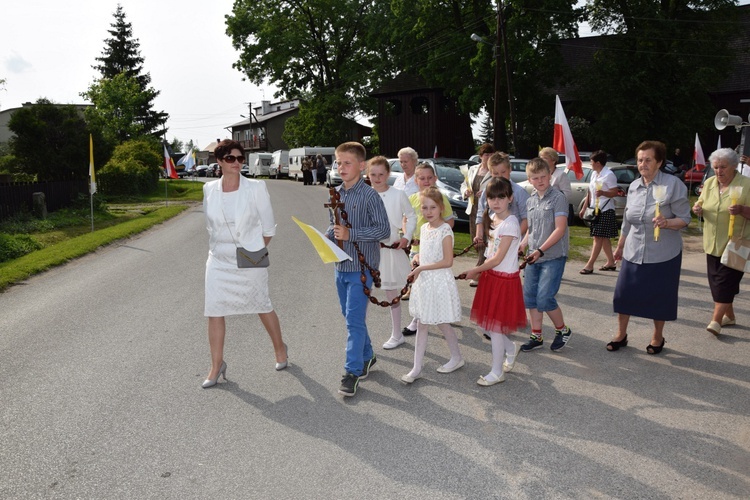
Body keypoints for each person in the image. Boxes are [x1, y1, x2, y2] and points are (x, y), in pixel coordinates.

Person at [201, 139, 287, 388]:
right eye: (231, 159)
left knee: (262, 304)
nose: (237, 163)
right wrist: (220, 249)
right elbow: (209, 225)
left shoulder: (256, 187)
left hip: (250, 257)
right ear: (219, 162)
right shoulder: (209, 190)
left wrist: (254, 253)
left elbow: (268, 228)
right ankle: (216, 365)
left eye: (240, 158)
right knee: (214, 310)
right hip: (218, 260)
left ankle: (280, 349)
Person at [609, 141, 691, 354]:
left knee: (659, 297)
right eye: (640, 160)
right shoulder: (634, 186)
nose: (643, 164)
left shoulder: (673, 185)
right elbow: (627, 221)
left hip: (664, 253)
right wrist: (619, 247)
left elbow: (685, 218)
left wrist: (667, 223)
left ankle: (657, 336)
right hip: (633, 251)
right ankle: (621, 334)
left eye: (648, 160)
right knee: (623, 294)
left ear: (659, 162)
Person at [325, 142, 390, 397]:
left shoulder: (370, 195)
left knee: (353, 320)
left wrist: (352, 234)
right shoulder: (335, 193)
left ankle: (352, 372)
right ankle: (368, 355)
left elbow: (383, 230)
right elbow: (333, 224)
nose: (341, 167)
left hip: (362, 268)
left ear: (361, 166)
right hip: (340, 265)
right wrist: (329, 234)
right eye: (338, 163)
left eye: (347, 163)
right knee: (349, 315)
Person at [462, 177, 526, 386]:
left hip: (504, 280)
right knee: (486, 325)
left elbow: (498, 258)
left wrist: (475, 270)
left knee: (496, 328)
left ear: (510, 198)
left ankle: (497, 371)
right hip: (492, 277)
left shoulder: (511, 223)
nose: (496, 201)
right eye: (491, 197)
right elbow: (491, 252)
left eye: (501, 197)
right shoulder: (492, 217)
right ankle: (510, 348)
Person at [401, 186, 463, 384]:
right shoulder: (425, 229)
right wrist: (418, 257)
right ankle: (418, 366)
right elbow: (425, 252)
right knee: (424, 322)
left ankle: (455, 358)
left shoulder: (445, 230)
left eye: (432, 208)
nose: (428, 212)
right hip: (426, 281)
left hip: (438, 281)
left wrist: (421, 269)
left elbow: (447, 261)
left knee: (439, 322)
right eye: (425, 208)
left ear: (441, 208)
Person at [693, 148, 750, 336]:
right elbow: (701, 203)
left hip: (737, 243)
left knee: (724, 283)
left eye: (723, 167)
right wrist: (698, 209)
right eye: (715, 167)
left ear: (734, 166)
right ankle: (730, 316)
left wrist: (742, 209)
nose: (719, 171)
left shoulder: (746, 184)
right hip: (712, 242)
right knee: (717, 282)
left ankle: (716, 320)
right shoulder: (709, 183)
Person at [520, 157, 573, 352]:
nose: (540, 180)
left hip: (552, 256)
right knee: (531, 298)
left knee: (545, 298)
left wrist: (541, 250)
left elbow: (560, 229)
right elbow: (531, 229)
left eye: (543, 176)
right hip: (533, 256)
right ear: (529, 180)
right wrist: (523, 244)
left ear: (550, 176)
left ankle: (563, 330)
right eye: (535, 178)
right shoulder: (531, 200)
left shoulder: (558, 198)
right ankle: (537, 336)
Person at [366, 156, 417, 349]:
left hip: (391, 249)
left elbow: (411, 216)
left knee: (392, 292)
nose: (377, 178)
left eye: (381, 174)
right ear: (367, 175)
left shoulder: (398, 194)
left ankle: (397, 334)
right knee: (363, 292)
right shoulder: (364, 194)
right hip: (369, 251)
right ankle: (360, 338)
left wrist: (406, 237)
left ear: (388, 174)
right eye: (373, 174)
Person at [401, 163, 456, 336]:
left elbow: (450, 220)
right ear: (416, 180)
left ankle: (435, 315)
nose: (426, 181)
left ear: (435, 179)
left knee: (430, 283)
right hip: (417, 248)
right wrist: (408, 235)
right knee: (418, 285)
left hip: (434, 250)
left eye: (429, 178)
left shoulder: (442, 198)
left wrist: (439, 235)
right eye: (422, 178)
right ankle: (418, 319)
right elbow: (406, 220)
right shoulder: (412, 199)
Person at [579, 150, 619, 274]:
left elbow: (614, 192)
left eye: (591, 162)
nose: (590, 164)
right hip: (594, 209)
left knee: (598, 237)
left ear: (598, 162)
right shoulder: (594, 174)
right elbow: (590, 192)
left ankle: (590, 265)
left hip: (605, 209)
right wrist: (584, 207)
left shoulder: (609, 174)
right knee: (604, 238)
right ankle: (611, 262)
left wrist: (603, 193)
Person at [461, 143, 495, 286]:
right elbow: (464, 184)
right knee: (475, 238)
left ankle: (479, 272)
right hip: (473, 208)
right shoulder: (473, 169)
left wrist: (488, 193)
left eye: (490, 155)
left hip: (487, 211)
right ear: (480, 156)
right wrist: (465, 192)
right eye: (486, 154)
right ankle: (486, 269)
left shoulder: (494, 172)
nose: (488, 157)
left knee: (485, 239)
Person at [539, 147, 573, 224]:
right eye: (541, 158)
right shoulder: (540, 174)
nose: (542, 161)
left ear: (553, 160)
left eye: (545, 158)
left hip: (556, 212)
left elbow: (568, 195)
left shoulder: (561, 175)